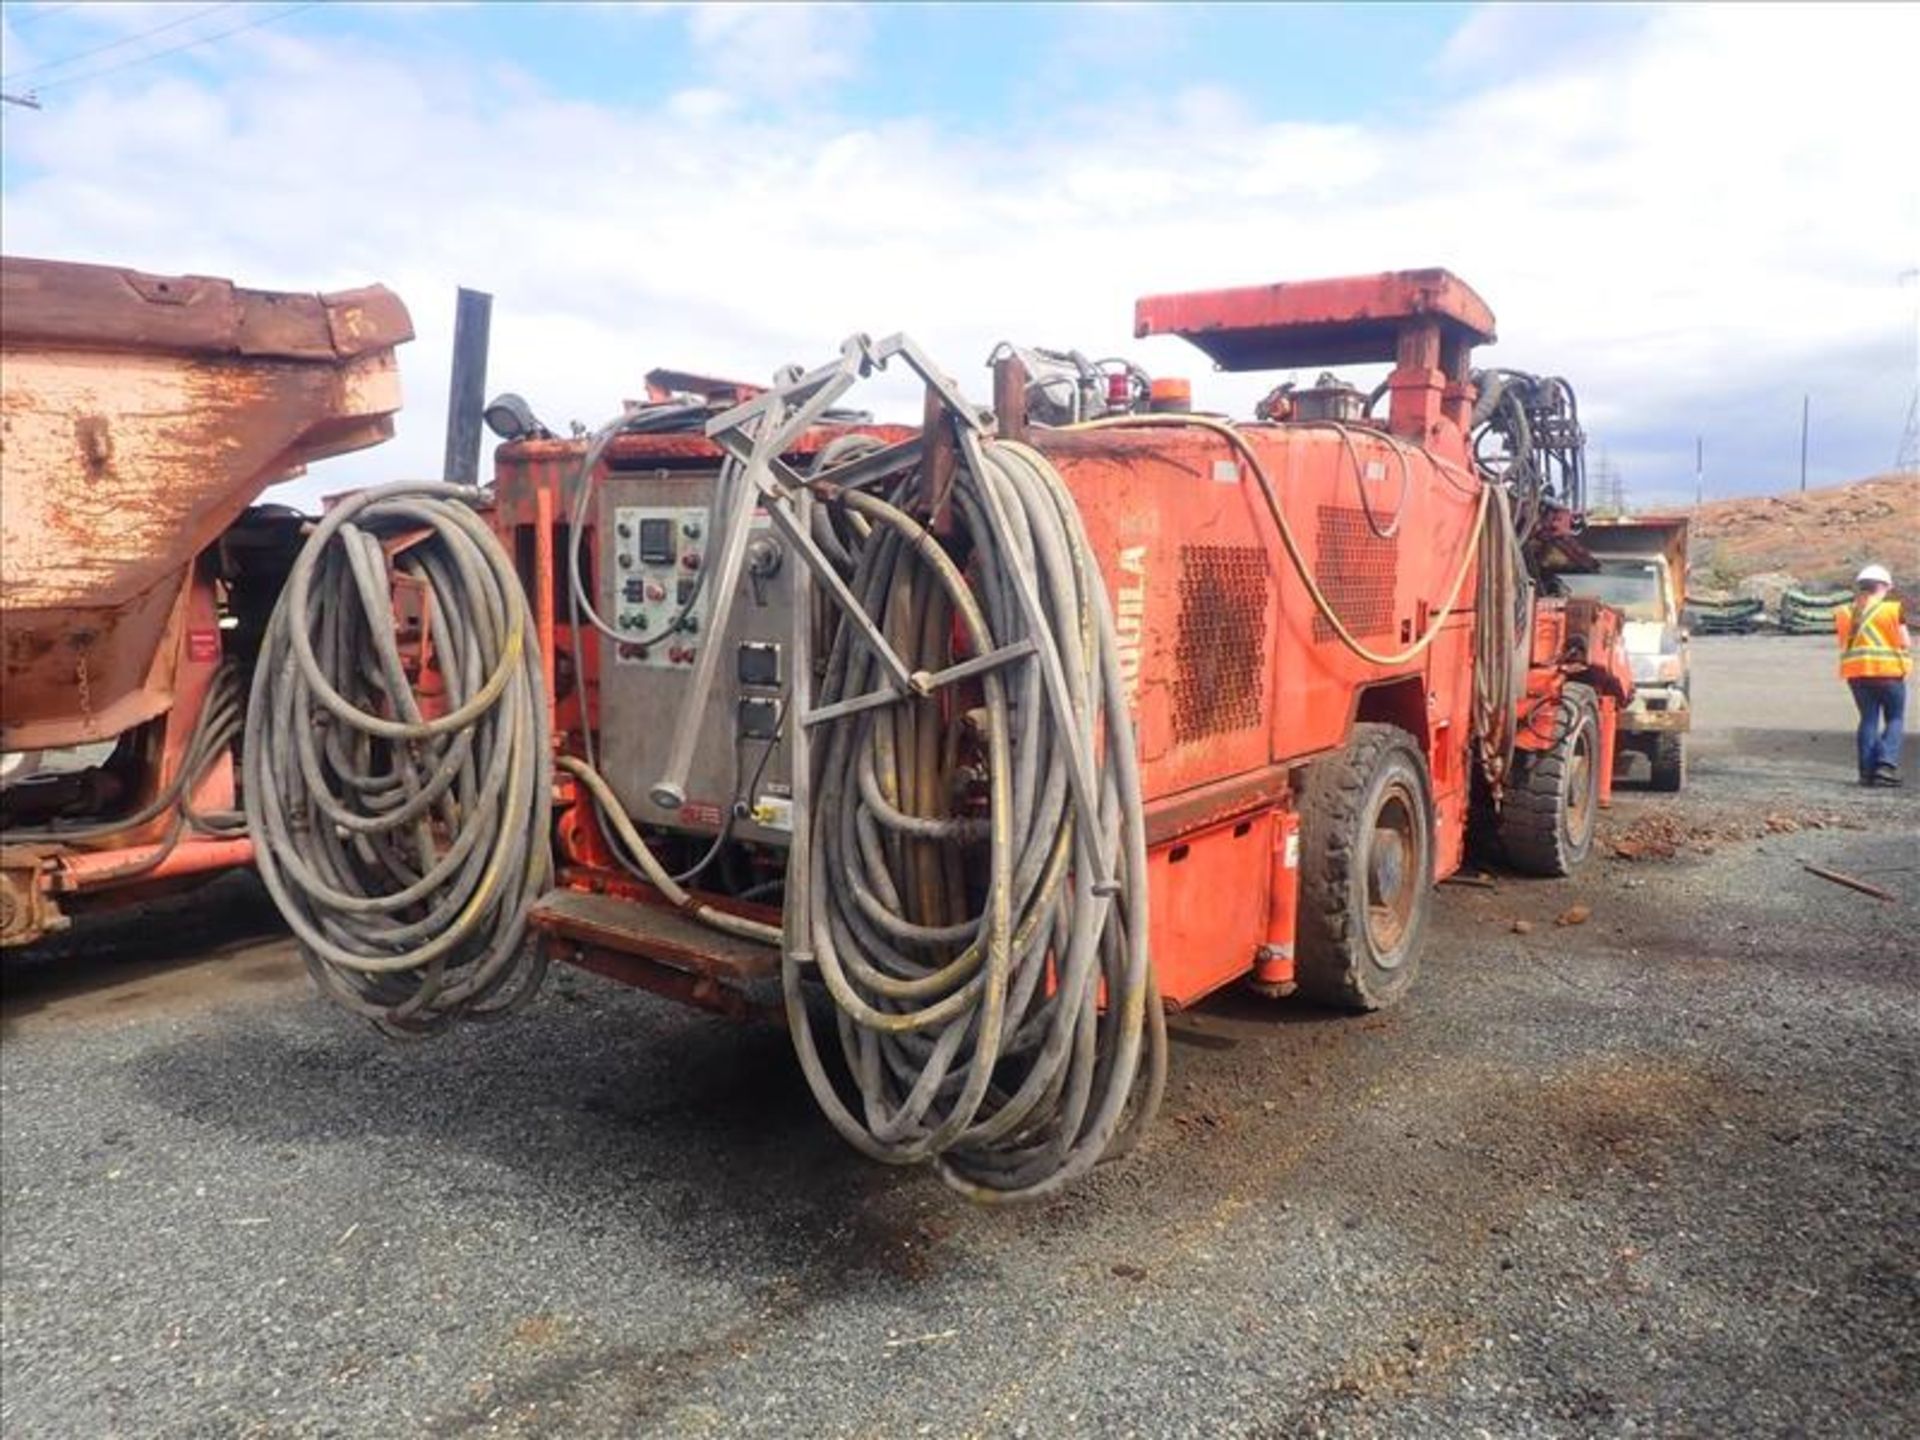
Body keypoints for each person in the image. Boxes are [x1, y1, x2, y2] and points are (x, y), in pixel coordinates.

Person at [1834, 564, 1912, 787]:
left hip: (1856, 673)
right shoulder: (1891, 609)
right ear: (1883, 586)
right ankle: (1885, 765)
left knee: (1868, 719)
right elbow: (1905, 641)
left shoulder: (1844, 611)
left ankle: (1866, 773)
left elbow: (1845, 642)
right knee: (1895, 718)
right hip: (1887, 672)